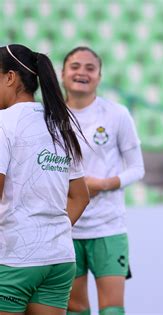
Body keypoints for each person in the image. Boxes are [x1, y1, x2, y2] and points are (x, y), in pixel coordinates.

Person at [0, 44, 90, 315]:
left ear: (10, 77)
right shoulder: (61, 122)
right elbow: (81, 196)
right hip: (59, 258)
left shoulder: (4, 121)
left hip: (15, 259)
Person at [61, 47, 145, 315]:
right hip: (66, 227)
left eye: (89, 68)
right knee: (75, 307)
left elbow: (137, 169)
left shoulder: (116, 114)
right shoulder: (49, 116)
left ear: (99, 76)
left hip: (108, 227)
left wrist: (102, 184)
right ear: (62, 74)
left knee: (112, 309)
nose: (82, 73)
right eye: (75, 66)